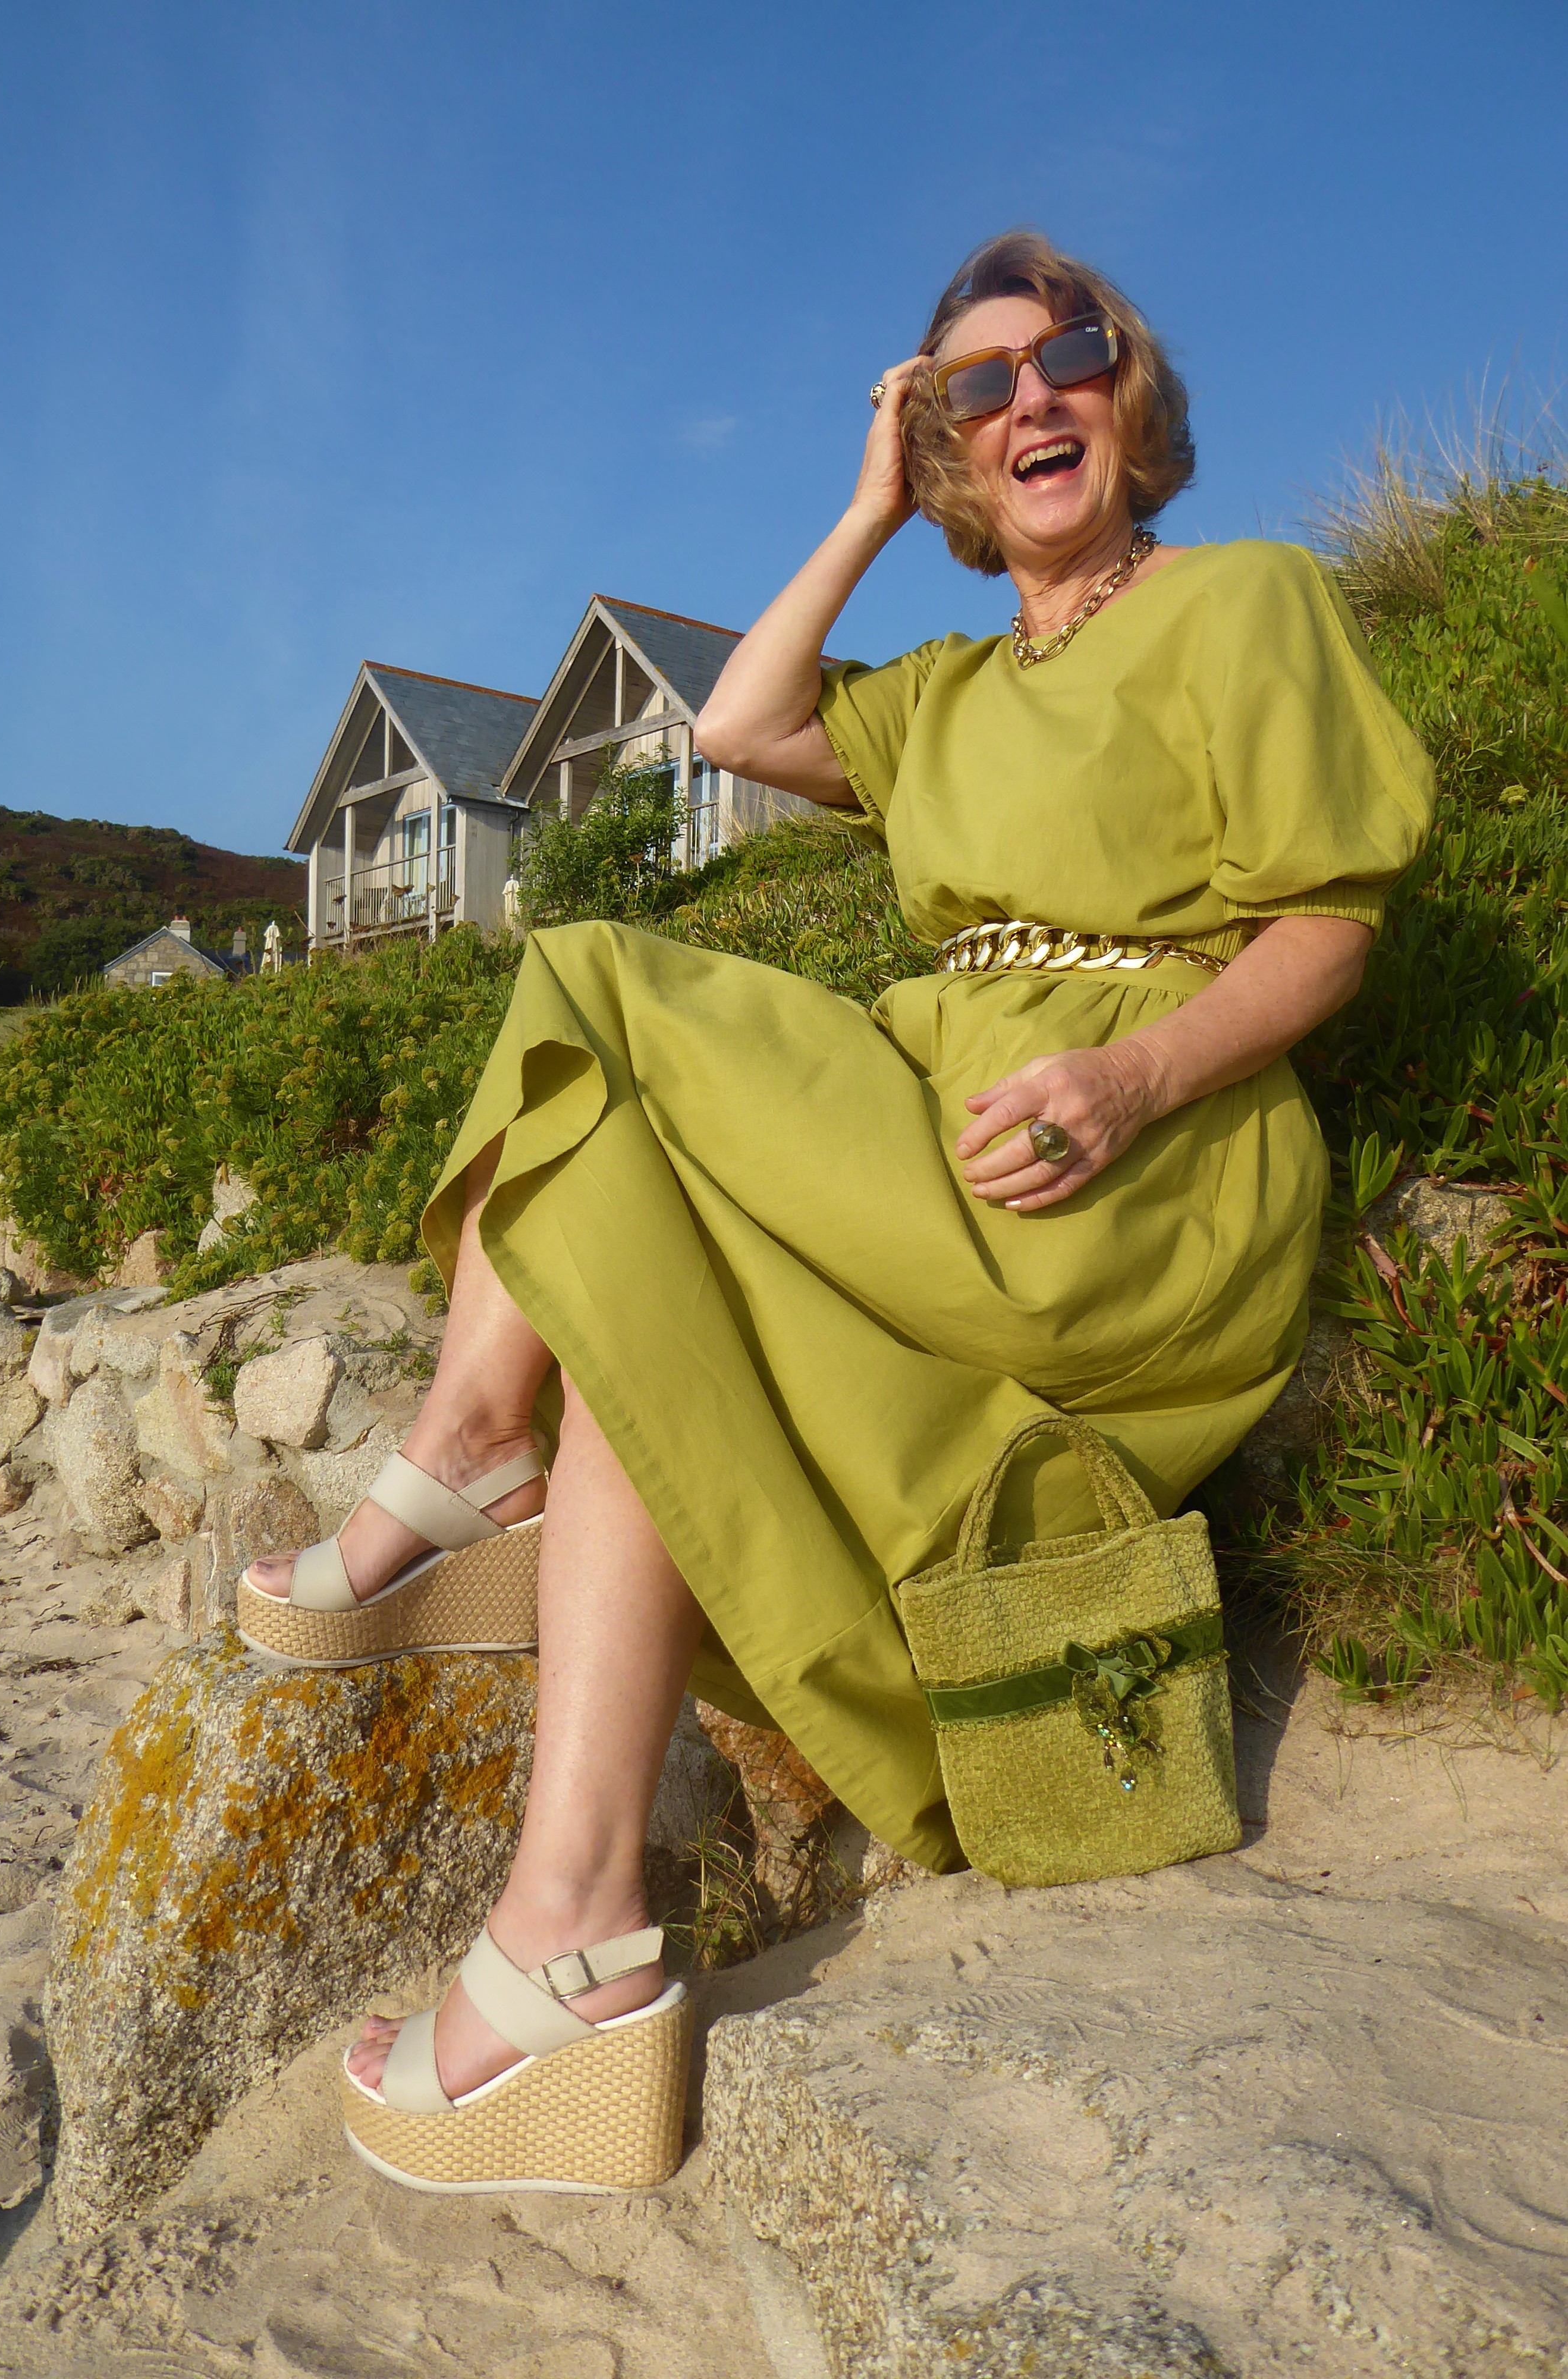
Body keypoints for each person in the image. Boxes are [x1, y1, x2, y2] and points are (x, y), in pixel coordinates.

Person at [240, 228, 1434, 2192]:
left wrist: (1134, 1080)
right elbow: (734, 725)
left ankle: (465, 1452)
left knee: (597, 981)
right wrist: (876, 501)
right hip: (930, 1113)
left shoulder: (1247, 601)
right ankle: (572, 1938)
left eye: (1070, 355)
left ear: (1131, 389)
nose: (1032, 397)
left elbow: (1327, 925)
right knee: (639, 1316)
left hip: (1131, 1153)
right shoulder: (946, 690)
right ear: (946, 442)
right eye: (978, 385)